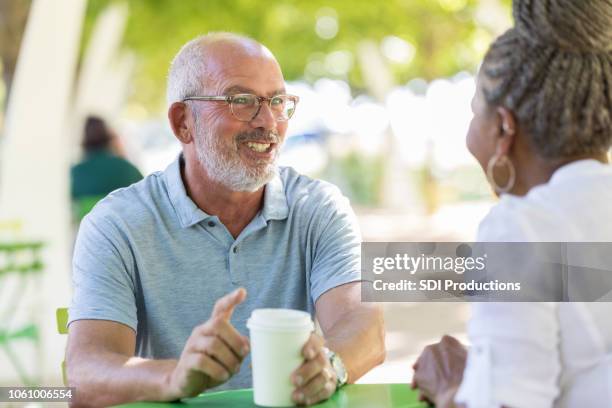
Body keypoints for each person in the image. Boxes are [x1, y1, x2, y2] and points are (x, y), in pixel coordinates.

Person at [66, 33, 385, 407]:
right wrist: (173, 377)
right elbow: (84, 373)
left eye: (278, 102)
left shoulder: (319, 207)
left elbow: (364, 325)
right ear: (183, 122)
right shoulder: (117, 224)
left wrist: (330, 365)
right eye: (241, 101)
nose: (268, 122)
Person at [412, 0, 612, 407]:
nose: (469, 132)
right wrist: (487, 376)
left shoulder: (520, 227)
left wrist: (451, 386)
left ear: (504, 127)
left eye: (473, 112)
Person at [71, 116, 143, 204]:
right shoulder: (125, 167)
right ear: (108, 136)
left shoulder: (77, 171)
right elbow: (145, 192)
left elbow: (75, 203)